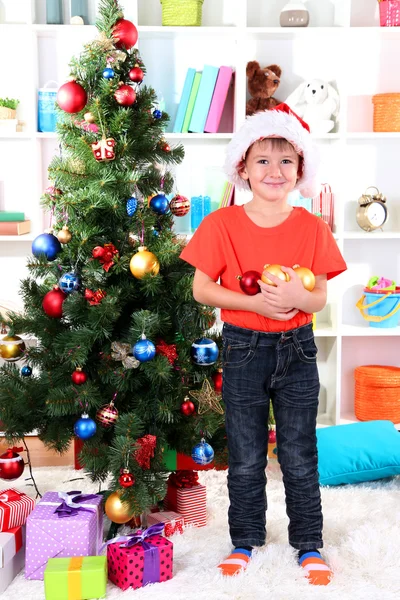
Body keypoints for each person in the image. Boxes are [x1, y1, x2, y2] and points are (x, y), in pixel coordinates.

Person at [180, 103, 347, 586]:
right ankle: (245, 539)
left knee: (299, 453)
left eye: (286, 161)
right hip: (242, 349)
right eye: (262, 160)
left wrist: (299, 296)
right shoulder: (222, 225)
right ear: (242, 169)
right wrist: (253, 305)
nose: (274, 171)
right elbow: (202, 289)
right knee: (248, 455)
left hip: (297, 350)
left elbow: (317, 298)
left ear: (300, 171)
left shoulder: (311, 227)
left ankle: (309, 544)